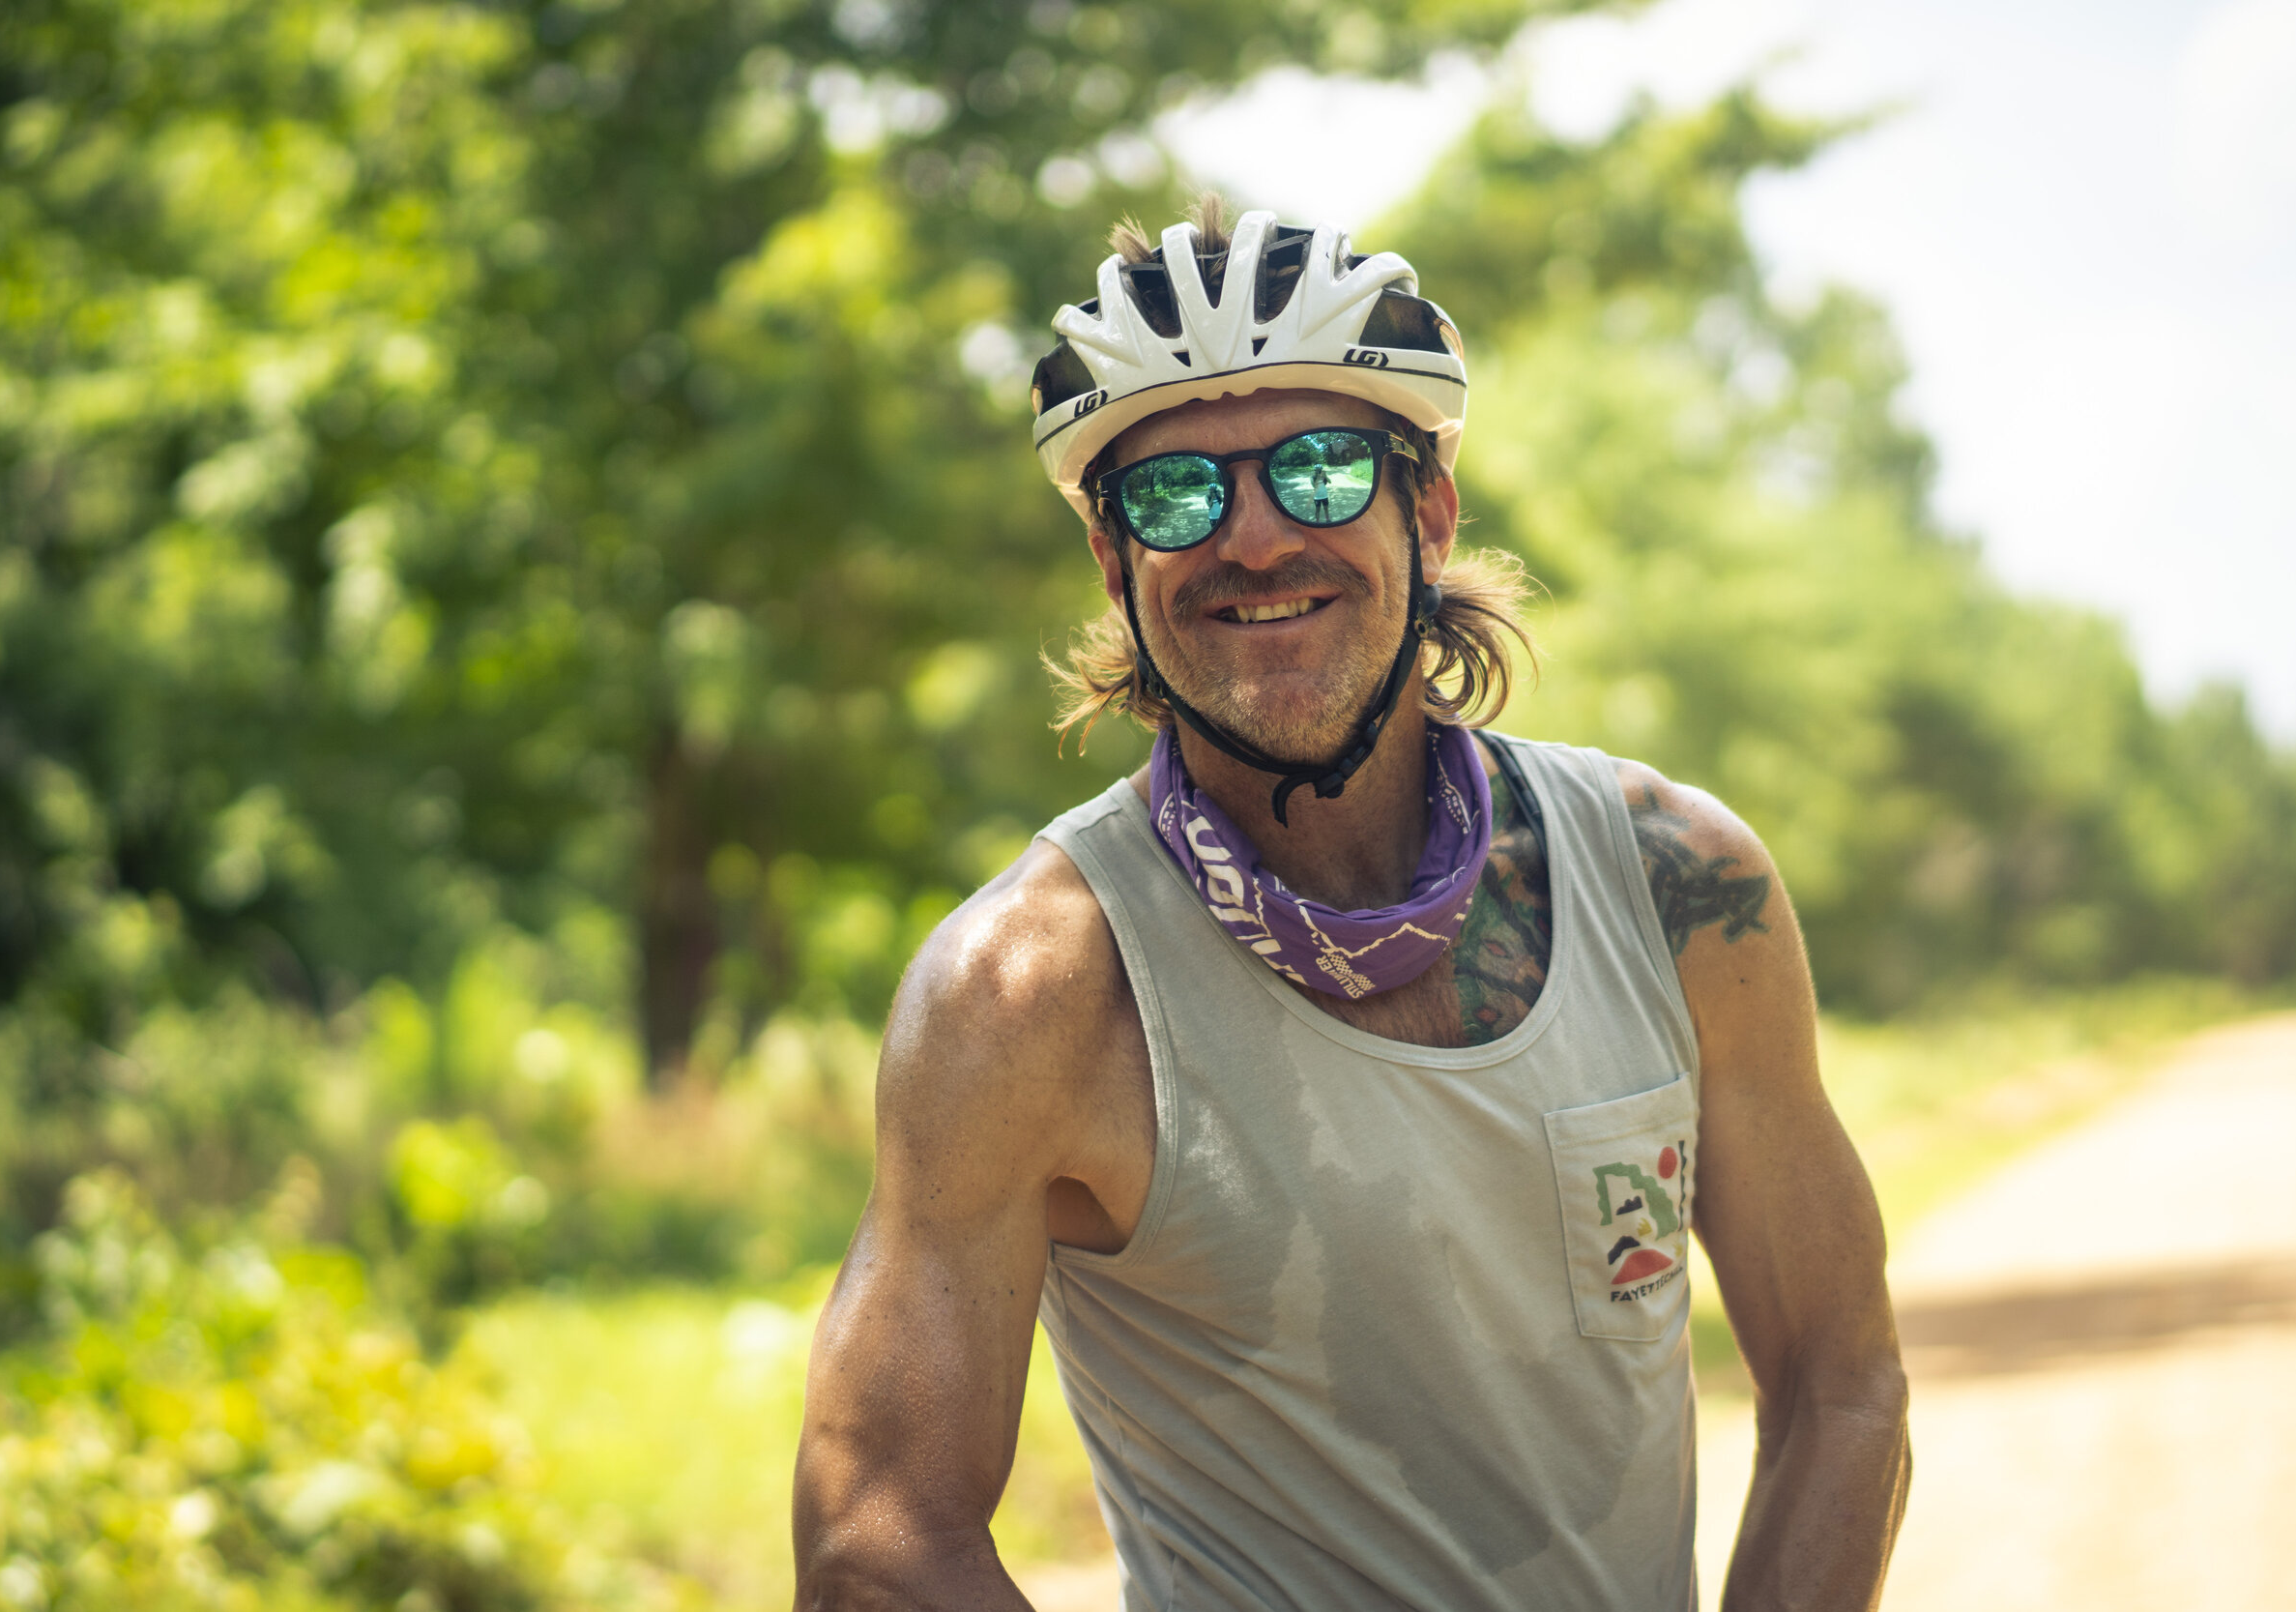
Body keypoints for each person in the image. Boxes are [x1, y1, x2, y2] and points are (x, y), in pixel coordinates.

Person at [793, 198, 1910, 1610]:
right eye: (1179, 493)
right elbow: (873, 1541)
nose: (1253, 539)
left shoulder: (1681, 886)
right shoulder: (1027, 995)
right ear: (1114, 559)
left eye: (1320, 472)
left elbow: (1841, 1385)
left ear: (1426, 511)